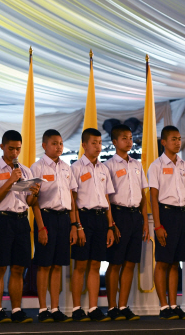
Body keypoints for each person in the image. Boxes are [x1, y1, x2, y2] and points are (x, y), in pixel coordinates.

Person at [0, 130, 40, 324]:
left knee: (18, 268)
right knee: (0, 267)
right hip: (3, 220)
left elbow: (31, 202)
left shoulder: (26, 171)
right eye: (11, 148)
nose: (15, 152)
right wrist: (10, 180)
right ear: (2, 147)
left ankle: (16, 309)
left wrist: (34, 191)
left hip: (22, 221)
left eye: (18, 149)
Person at [31, 129, 78, 323]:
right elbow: (33, 201)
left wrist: (74, 225)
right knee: (44, 265)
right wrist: (41, 227)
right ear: (44, 145)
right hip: (46, 218)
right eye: (54, 143)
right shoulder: (37, 167)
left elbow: (72, 199)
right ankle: (43, 309)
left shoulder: (67, 167)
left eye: (60, 143)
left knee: (58, 265)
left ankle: (56, 308)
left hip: (64, 219)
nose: (59, 147)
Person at [70, 128, 116, 322]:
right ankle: (76, 308)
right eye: (94, 143)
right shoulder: (76, 168)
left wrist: (111, 226)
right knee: (80, 265)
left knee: (96, 265)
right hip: (83, 217)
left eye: (100, 143)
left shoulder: (104, 168)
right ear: (84, 145)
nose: (98, 146)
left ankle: (93, 307)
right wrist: (77, 225)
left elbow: (106, 199)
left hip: (100, 219)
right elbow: (72, 200)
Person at [148, 126, 185, 320]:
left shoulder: (184, 165)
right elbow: (153, 197)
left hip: (182, 215)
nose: (177, 142)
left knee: (175, 263)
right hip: (165, 214)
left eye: (179, 138)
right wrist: (158, 226)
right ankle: (163, 306)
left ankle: (174, 304)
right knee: (163, 262)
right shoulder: (156, 165)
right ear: (163, 142)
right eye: (173, 139)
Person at [104, 124, 149, 321]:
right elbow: (105, 197)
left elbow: (143, 194)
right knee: (115, 263)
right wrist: (111, 224)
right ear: (114, 142)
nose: (129, 141)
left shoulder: (137, 165)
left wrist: (145, 222)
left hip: (135, 216)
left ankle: (123, 306)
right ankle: (112, 307)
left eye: (131, 138)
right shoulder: (108, 166)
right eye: (124, 138)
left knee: (130, 263)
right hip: (118, 214)